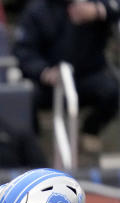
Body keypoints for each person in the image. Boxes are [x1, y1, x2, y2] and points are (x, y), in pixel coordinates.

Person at [13, 0, 120, 156]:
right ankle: (33, 145)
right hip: (48, 81)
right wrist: (43, 71)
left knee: (112, 91)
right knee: (25, 97)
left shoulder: (94, 3)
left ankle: (90, 130)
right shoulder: (37, 10)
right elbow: (23, 50)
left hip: (88, 76)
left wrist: (99, 10)